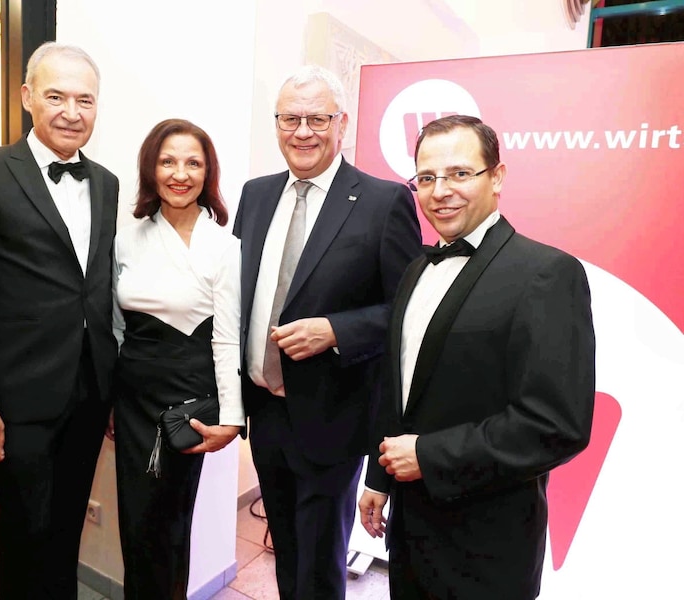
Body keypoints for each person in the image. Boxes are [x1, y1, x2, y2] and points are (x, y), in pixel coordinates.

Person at [359, 115, 596, 600]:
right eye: (427, 178)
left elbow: (556, 425)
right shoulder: (415, 270)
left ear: (498, 177)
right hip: (409, 535)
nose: (440, 190)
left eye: (460, 174)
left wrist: (427, 455)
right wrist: (379, 476)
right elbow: (398, 388)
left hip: (489, 547)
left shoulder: (547, 273)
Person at [233, 65, 423, 599]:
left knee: (319, 562)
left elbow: (409, 309)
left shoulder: (384, 202)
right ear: (276, 124)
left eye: (317, 118)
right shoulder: (255, 194)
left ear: (342, 123)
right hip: (264, 411)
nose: (303, 131)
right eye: (290, 118)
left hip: (331, 416)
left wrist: (336, 330)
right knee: (287, 549)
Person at [0, 42, 119, 599]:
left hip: (89, 392)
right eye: (56, 96)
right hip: (16, 402)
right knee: (24, 536)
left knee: (65, 534)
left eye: (84, 99)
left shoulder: (108, 183)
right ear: (26, 98)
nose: (71, 111)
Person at [110, 118, 244, 599]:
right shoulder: (127, 237)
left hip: (185, 402)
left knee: (168, 523)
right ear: (151, 168)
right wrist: (108, 399)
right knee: (135, 522)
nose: (180, 173)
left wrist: (231, 417)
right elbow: (115, 328)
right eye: (168, 161)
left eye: (193, 163)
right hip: (132, 400)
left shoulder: (225, 247)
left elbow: (228, 338)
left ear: (208, 173)